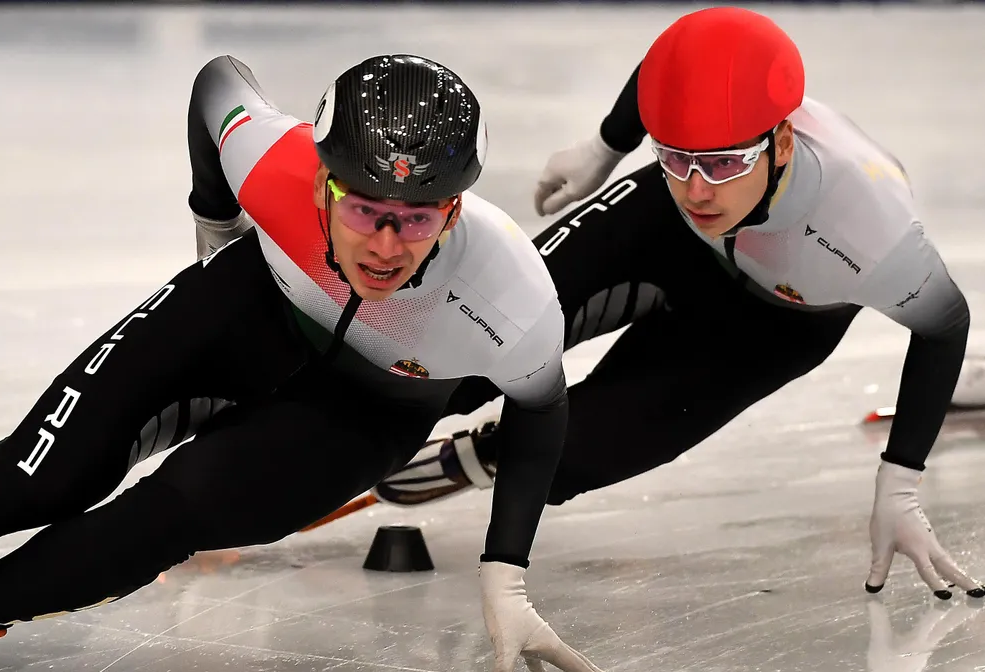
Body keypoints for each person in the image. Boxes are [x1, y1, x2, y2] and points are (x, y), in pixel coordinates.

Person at [0, 53, 623, 672]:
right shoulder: (274, 165)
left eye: (418, 219)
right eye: (363, 207)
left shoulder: (506, 289)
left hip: (362, 406)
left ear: (454, 212)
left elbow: (540, 414)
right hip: (246, 304)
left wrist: (506, 574)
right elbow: (216, 86)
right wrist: (215, 231)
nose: (385, 240)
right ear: (321, 178)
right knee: (37, 471)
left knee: (176, 507)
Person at [365, 6, 985, 601]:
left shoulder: (868, 229)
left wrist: (900, 482)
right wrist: (606, 149)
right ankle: (326, 422)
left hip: (773, 326)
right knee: (463, 343)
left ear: (784, 144)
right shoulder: (690, 182)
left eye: (724, 163)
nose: (698, 188)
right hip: (662, 234)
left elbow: (945, 324)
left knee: (570, 455)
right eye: (675, 157)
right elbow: (671, 67)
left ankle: (485, 454)